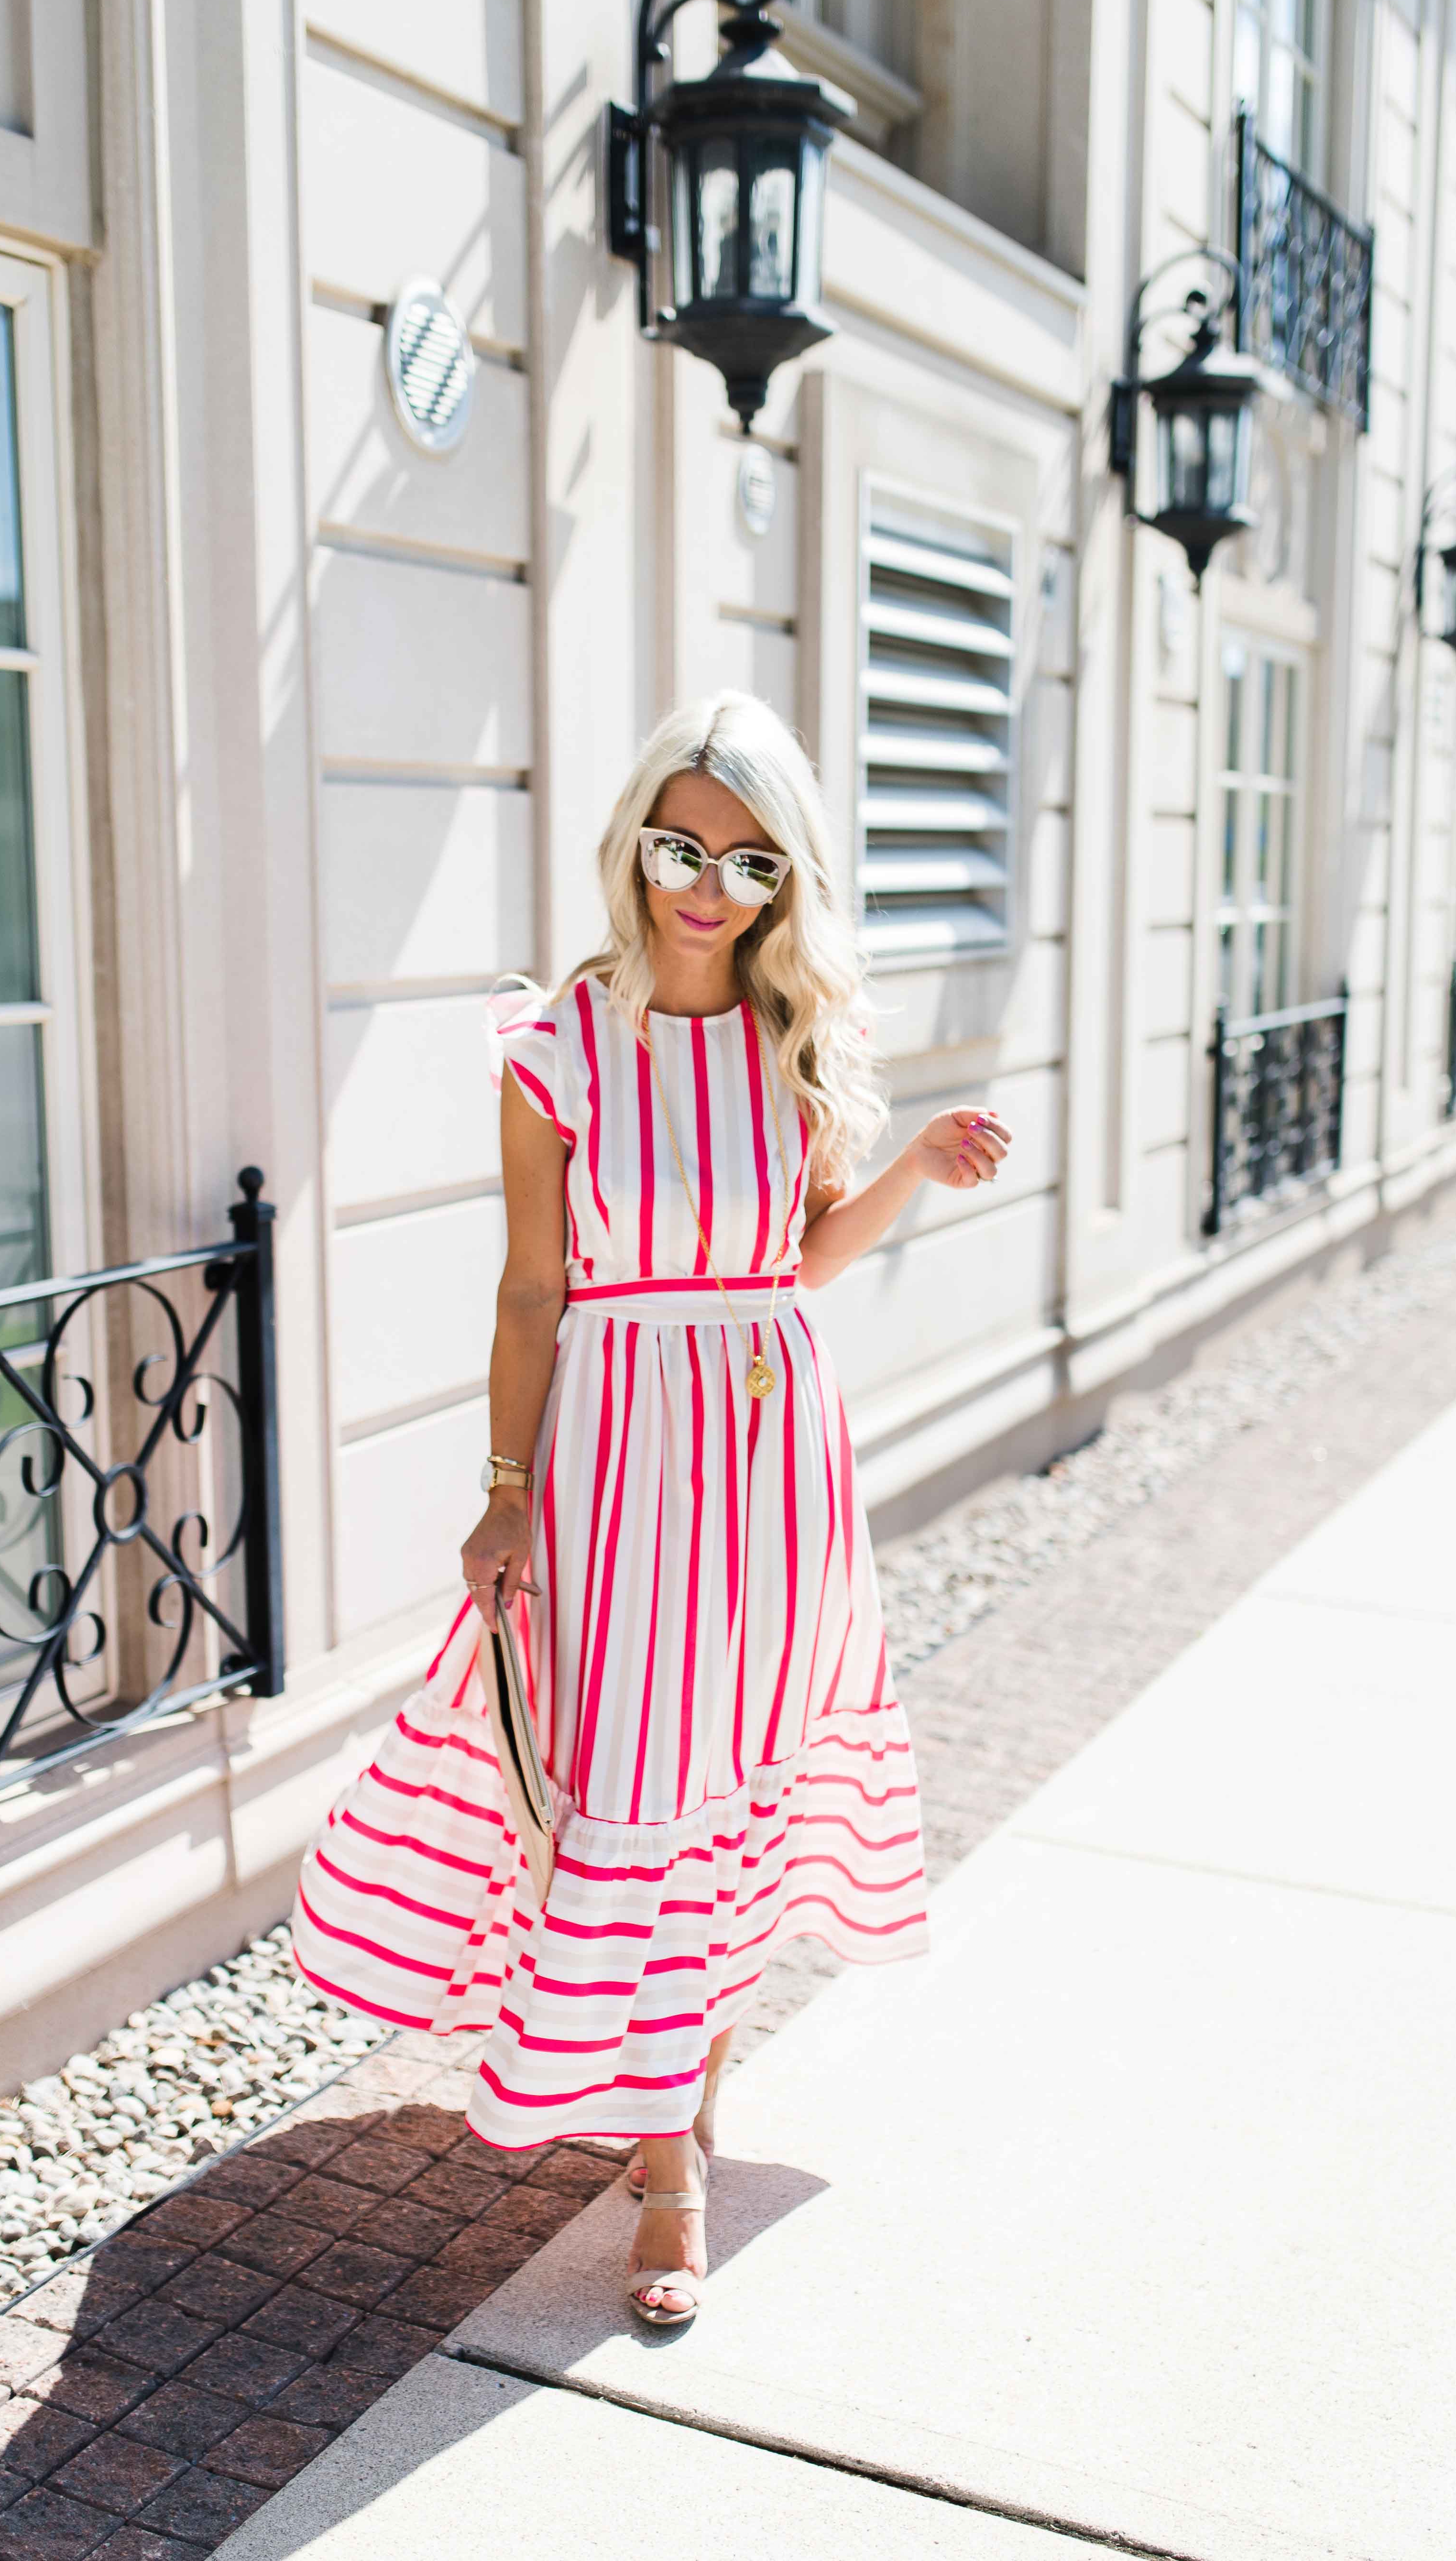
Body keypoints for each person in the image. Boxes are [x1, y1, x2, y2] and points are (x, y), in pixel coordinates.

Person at [291, 692, 1010, 2328]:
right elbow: (532, 1290)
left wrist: (909, 1168)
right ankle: (655, 2136)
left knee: (739, 1788)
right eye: (682, 846)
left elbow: (797, 1262)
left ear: (783, 880)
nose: (709, 885)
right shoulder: (556, 1042)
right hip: (616, 1455)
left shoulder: (789, 1039)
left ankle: (682, 2134)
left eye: (751, 860)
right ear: (634, 843)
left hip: (772, 1459)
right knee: (622, 1781)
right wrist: (503, 1489)